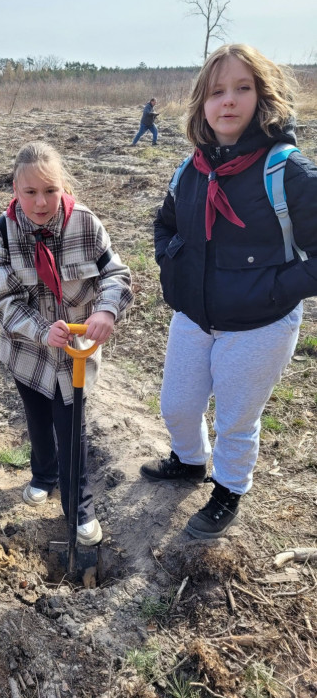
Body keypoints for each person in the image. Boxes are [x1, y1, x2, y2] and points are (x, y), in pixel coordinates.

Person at [141, 43, 317, 539]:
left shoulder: (289, 172)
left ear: (264, 97)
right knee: (177, 404)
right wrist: (172, 266)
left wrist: (276, 289)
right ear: (201, 103)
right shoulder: (191, 169)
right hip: (194, 316)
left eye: (243, 88)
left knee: (236, 420)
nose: (229, 101)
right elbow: (165, 223)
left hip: (260, 324)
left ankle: (229, 489)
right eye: (217, 91)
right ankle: (190, 461)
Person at [0, 141, 133, 545]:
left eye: (50, 190)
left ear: (63, 186)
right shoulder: (0, 234)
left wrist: (105, 311)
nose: (41, 202)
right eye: (30, 192)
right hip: (27, 352)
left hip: (75, 355)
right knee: (37, 419)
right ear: (15, 188)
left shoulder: (85, 223)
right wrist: (40, 329)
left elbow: (116, 275)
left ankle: (79, 506)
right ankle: (43, 474)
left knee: (72, 427)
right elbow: (3, 300)